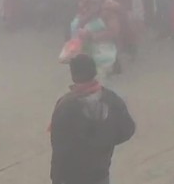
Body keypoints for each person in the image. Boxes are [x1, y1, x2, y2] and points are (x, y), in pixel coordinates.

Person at [50, 53, 135, 184]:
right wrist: (104, 140)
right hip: (100, 171)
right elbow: (127, 129)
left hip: (71, 176)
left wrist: (56, 178)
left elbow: (59, 146)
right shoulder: (111, 98)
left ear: (73, 76)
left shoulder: (66, 106)